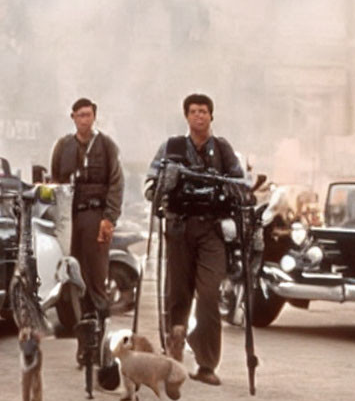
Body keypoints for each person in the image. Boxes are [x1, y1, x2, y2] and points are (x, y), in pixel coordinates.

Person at [146, 92, 244, 385]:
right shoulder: (171, 148)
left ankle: (206, 363)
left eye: (203, 111)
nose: (198, 116)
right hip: (179, 229)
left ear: (211, 116)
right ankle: (173, 354)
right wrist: (164, 187)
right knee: (177, 295)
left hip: (212, 230)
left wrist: (227, 191)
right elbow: (151, 186)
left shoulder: (224, 150)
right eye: (193, 111)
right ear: (186, 116)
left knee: (210, 295)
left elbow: (241, 186)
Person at [50, 98, 124, 321]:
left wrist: (109, 218)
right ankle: (73, 318)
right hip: (69, 216)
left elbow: (116, 183)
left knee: (96, 270)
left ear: (94, 117)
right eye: (80, 115)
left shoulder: (106, 146)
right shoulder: (63, 146)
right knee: (68, 266)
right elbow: (56, 181)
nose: (84, 120)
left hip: (95, 214)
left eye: (88, 115)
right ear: (73, 117)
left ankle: (99, 318)